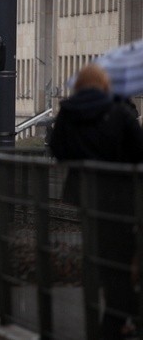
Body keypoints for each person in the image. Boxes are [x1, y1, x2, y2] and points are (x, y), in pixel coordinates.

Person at [49, 63, 143, 339]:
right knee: (123, 260)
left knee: (102, 258)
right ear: (104, 85)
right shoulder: (119, 112)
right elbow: (139, 151)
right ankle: (117, 321)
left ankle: (117, 318)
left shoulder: (68, 113)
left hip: (85, 198)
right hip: (120, 198)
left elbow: (57, 149)